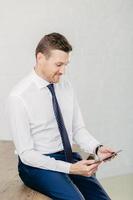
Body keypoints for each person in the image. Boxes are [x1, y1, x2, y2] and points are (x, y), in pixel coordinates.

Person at [7, 32, 113, 200]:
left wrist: (97, 148)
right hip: (36, 165)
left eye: (66, 64)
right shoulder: (19, 96)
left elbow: (77, 128)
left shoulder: (66, 86)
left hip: (68, 156)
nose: (63, 71)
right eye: (58, 64)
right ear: (40, 58)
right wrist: (70, 169)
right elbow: (26, 154)